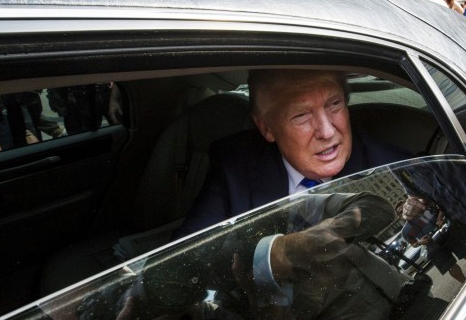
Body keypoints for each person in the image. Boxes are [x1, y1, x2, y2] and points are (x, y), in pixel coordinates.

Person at [175, 69, 411, 237]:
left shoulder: (396, 168)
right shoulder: (236, 166)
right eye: (301, 116)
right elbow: (184, 268)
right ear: (267, 128)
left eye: (334, 104)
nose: (327, 132)